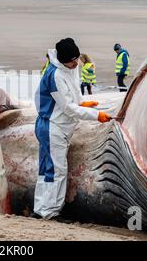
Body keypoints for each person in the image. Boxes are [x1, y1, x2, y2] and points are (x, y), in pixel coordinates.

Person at [32, 38, 112, 221]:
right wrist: (95, 115)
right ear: (62, 60)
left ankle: (41, 208)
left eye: (77, 58)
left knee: (47, 168)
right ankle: (50, 212)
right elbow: (67, 107)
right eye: (72, 60)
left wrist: (83, 102)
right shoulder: (55, 75)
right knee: (55, 170)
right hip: (52, 126)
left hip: (58, 126)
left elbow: (73, 92)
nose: (76, 63)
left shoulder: (69, 67)